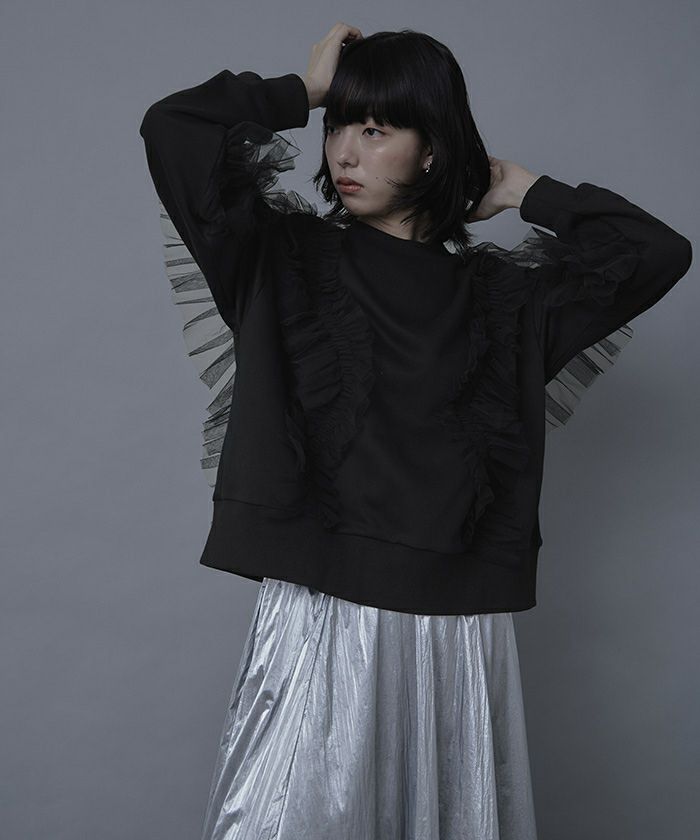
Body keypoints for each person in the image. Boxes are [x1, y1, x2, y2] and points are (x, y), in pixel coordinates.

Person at [138, 23, 692, 840]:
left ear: (431, 151)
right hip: (320, 612)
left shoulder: (505, 303)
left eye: (375, 130)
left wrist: (521, 188)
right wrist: (305, 90)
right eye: (338, 127)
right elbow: (171, 127)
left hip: (454, 630)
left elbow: (659, 252)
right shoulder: (276, 260)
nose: (344, 152)